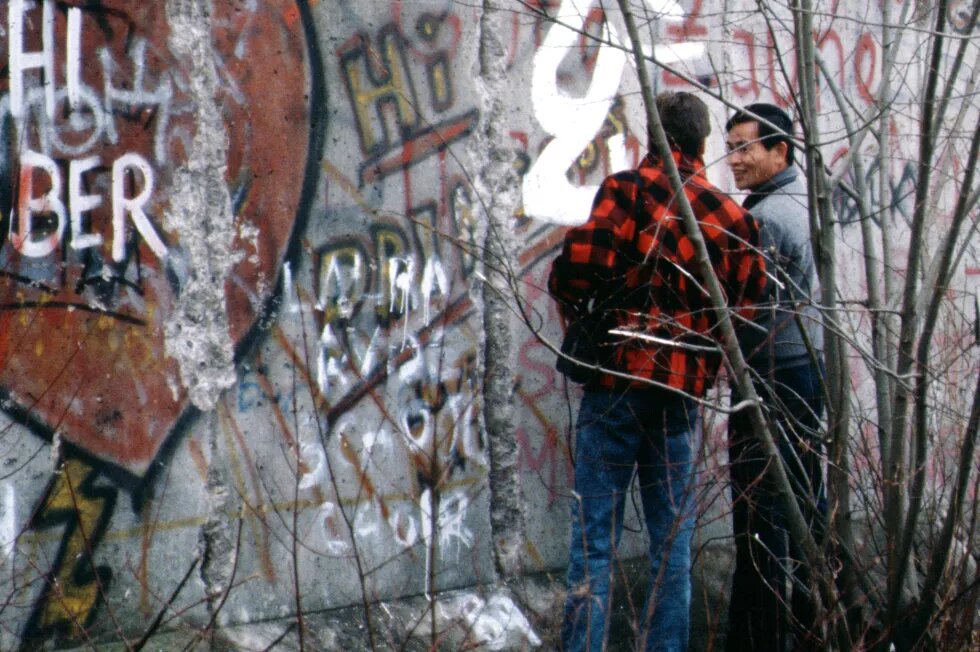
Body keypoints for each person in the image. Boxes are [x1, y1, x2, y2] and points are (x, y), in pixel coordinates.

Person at [548, 91, 767, 652]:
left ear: (654, 137)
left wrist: (594, 304)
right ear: (702, 142)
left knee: (594, 541)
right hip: (680, 398)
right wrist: (702, 353)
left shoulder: (628, 190)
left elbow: (576, 268)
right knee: (672, 544)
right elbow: (748, 312)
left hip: (618, 383)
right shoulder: (733, 218)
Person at [723, 103, 827, 652]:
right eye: (731, 146)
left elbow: (747, 307)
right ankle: (820, 630)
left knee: (762, 520)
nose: (734, 159)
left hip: (772, 374)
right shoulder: (804, 199)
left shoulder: (766, 219)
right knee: (809, 506)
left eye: (746, 147)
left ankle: (767, 637)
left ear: (779, 150)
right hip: (804, 371)